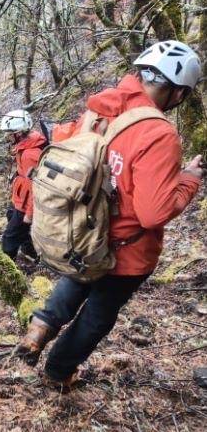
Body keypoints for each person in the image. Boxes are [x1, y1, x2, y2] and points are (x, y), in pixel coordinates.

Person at [16, 40, 203, 389]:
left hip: (82, 231)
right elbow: (153, 213)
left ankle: (40, 327)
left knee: (77, 279)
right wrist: (188, 180)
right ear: (178, 94)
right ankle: (59, 371)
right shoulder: (159, 134)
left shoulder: (100, 110)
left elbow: (65, 146)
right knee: (98, 315)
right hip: (126, 249)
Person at [0, 109, 47, 261]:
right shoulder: (27, 144)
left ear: (18, 133)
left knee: (9, 239)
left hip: (27, 205)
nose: (7, 136)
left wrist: (30, 214)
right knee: (10, 214)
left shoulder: (29, 154)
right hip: (20, 198)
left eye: (9, 133)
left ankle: (7, 272)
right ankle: (31, 252)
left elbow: (38, 188)